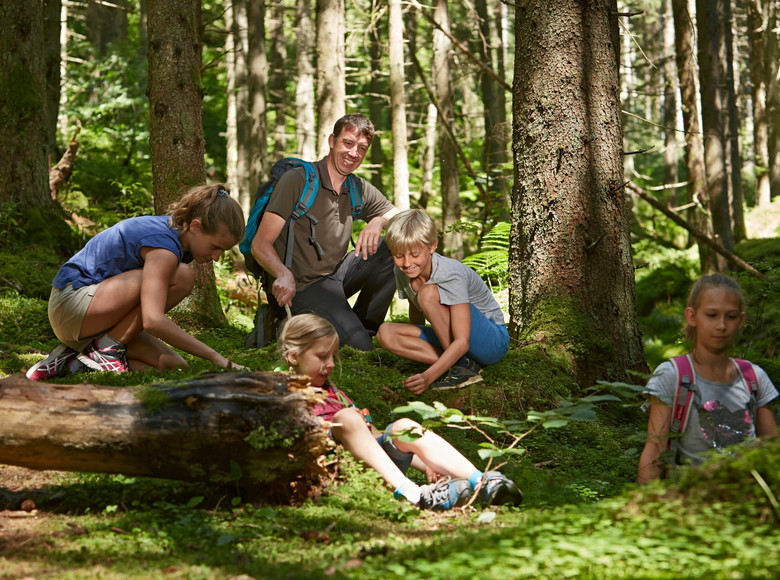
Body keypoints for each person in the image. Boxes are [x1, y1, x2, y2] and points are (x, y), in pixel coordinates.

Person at [278, 313, 522, 511]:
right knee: (347, 418)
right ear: (293, 356)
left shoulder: (336, 395)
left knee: (403, 425)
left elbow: (371, 437)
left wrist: (424, 464)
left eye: (333, 356)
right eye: (322, 356)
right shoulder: (283, 394)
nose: (330, 363)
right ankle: (413, 494)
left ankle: (483, 482)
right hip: (333, 471)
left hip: (371, 468)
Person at [26, 184, 247, 380]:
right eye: (215, 247)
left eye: (223, 251)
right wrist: (218, 359)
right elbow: (153, 320)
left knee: (174, 367)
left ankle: (72, 362)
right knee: (183, 275)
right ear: (196, 226)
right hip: (72, 305)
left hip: (95, 316)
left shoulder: (177, 240)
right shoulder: (164, 247)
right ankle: (106, 348)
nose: (217, 257)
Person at [250, 113, 399, 351]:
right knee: (361, 351)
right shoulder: (297, 181)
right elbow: (260, 244)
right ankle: (283, 321)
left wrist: (379, 221)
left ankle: (363, 329)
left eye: (361, 148)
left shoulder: (357, 187)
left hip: (334, 278)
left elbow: (404, 219)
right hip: (298, 287)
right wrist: (282, 274)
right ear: (332, 141)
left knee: (392, 246)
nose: (353, 153)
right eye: (347, 143)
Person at [637, 274, 778, 484]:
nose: (721, 325)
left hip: (749, 503)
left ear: (741, 320)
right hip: (690, 503)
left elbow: (772, 448)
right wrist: (646, 506)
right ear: (692, 317)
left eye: (730, 317)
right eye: (711, 315)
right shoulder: (672, 376)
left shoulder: (754, 378)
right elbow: (654, 450)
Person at [375, 209, 510, 392]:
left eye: (415, 254)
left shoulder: (450, 273)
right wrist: (415, 339)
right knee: (385, 333)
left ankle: (462, 368)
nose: (407, 263)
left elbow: (462, 340)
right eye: (398, 255)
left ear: (432, 246)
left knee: (428, 293)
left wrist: (428, 376)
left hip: (491, 340)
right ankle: (461, 364)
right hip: (451, 336)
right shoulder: (402, 272)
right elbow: (415, 309)